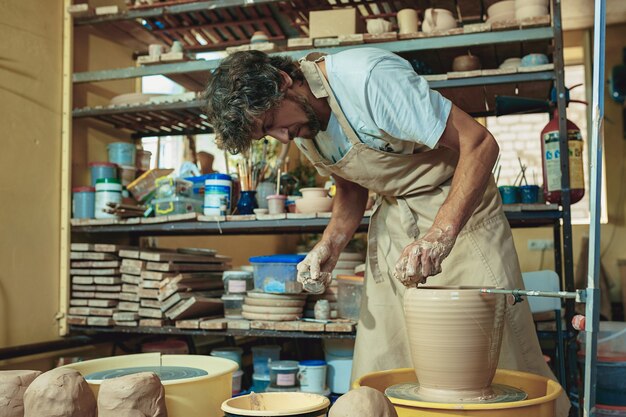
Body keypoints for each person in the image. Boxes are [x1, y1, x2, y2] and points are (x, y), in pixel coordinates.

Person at [204, 47, 569, 415]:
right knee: (384, 361)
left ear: (283, 81)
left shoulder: (368, 80)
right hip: (395, 223)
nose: (282, 139)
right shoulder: (301, 121)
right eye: (268, 135)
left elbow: (478, 143)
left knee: (483, 363)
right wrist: (329, 244)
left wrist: (440, 234)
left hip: (459, 215)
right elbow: (350, 184)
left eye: (271, 123)